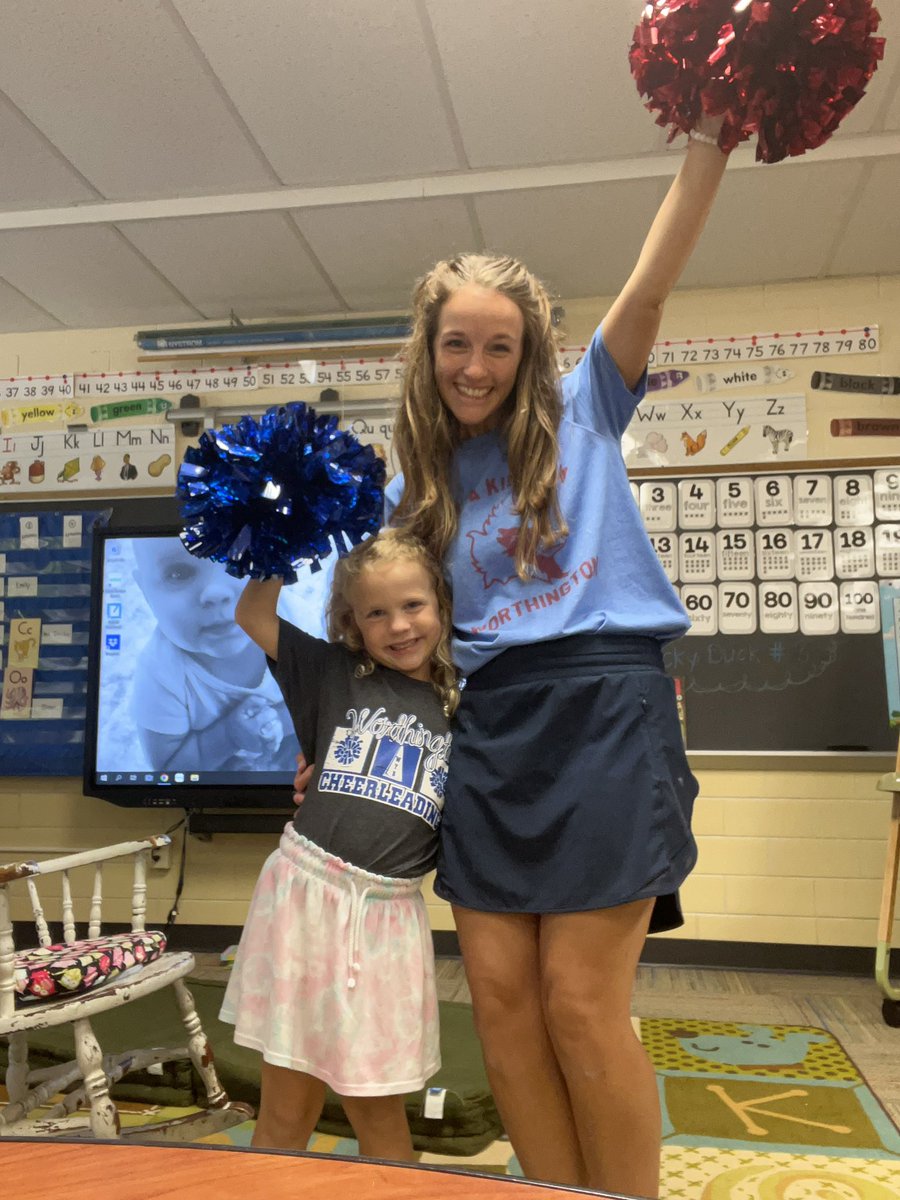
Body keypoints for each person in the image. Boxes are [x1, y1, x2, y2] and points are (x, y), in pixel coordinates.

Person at [295, 114, 728, 1195]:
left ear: (529, 348)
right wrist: (331, 747)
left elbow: (651, 283)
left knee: (583, 1004)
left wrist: (710, 145)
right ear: (428, 351)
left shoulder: (586, 403)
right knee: (500, 1002)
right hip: (487, 735)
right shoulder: (421, 488)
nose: (477, 365)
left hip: (604, 716)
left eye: (499, 343)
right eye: (457, 343)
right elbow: (389, 639)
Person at [221, 529, 458, 1160]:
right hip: (301, 900)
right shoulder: (331, 672)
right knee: (284, 1111)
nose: (399, 626)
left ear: (442, 603)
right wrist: (280, 528)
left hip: (385, 923)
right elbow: (251, 614)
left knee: (380, 1116)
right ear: (350, 621)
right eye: (375, 612)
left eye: (413, 605)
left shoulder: (469, 700)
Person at [131, 537, 296, 773]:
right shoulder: (159, 673)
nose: (215, 592)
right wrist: (227, 736)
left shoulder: (296, 624)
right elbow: (166, 768)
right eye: (179, 573)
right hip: (214, 779)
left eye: (242, 563)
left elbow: (329, 707)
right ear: (145, 591)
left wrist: (274, 722)